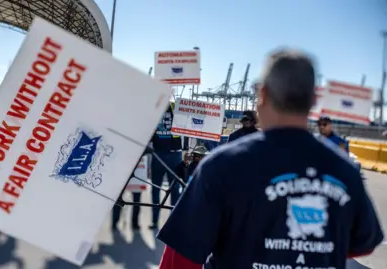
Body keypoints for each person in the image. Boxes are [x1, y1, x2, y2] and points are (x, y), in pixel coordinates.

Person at [157, 48, 383, 269]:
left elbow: (179, 261)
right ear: (313, 100)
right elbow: (363, 243)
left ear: (263, 94)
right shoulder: (345, 170)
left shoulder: (221, 167)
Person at [150, 102, 183, 230]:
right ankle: (154, 221)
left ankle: (173, 223)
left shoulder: (176, 107)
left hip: (174, 154)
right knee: (155, 188)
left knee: (175, 190)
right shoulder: (153, 108)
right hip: (158, 154)